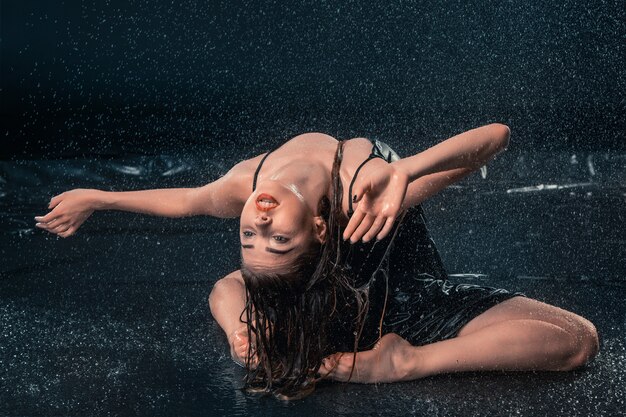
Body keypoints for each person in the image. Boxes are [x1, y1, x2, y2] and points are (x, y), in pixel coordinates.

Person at [35, 125, 599, 399]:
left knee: (241, 284)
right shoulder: (357, 203)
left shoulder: (246, 186)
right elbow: (494, 138)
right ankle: (408, 361)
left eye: (251, 236)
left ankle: (337, 328)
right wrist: (401, 173)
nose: (257, 223)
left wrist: (100, 197)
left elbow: (187, 207)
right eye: (274, 238)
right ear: (321, 231)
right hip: (405, 300)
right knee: (580, 339)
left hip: (365, 288)